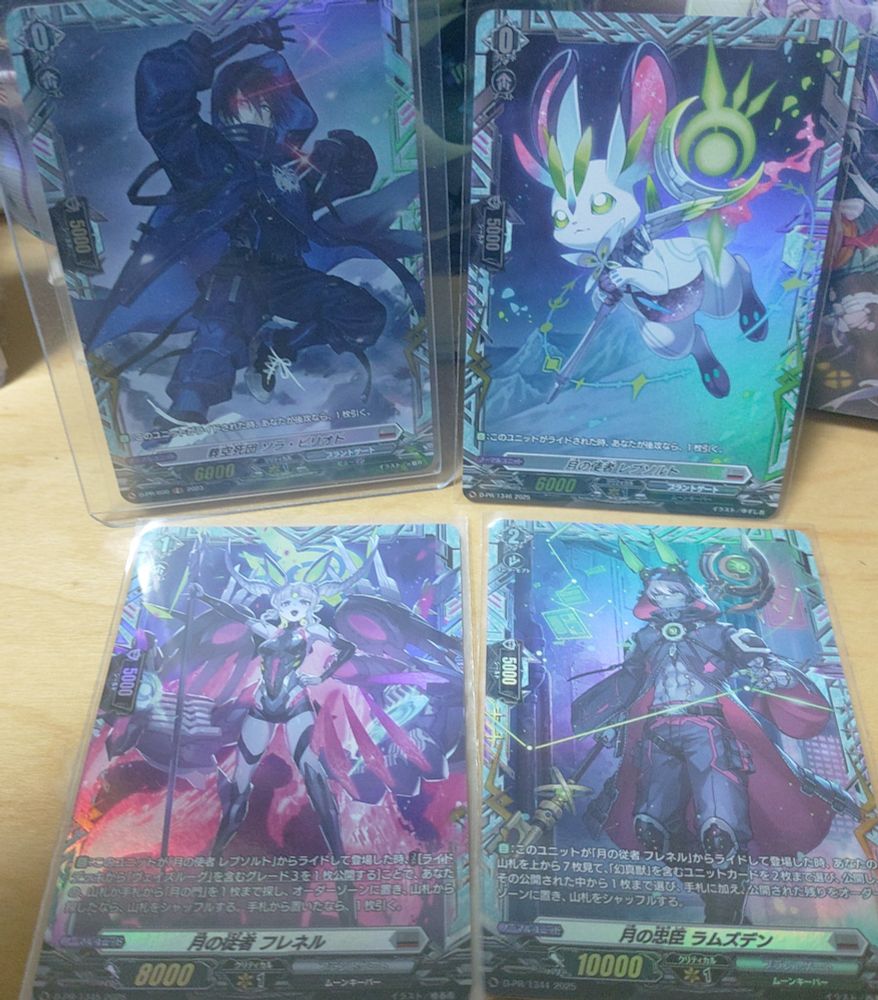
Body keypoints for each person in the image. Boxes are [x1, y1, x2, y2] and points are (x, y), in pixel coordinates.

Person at [572, 541, 854, 924]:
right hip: (657, 733)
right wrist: (607, 719)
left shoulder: (721, 634)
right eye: (656, 593)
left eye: (671, 590)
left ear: (689, 592)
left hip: (708, 731)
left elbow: (763, 662)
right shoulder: (646, 639)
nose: (663, 597)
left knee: (721, 832)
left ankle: (723, 914)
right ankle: (720, 904)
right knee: (652, 829)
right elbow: (630, 683)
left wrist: (773, 675)